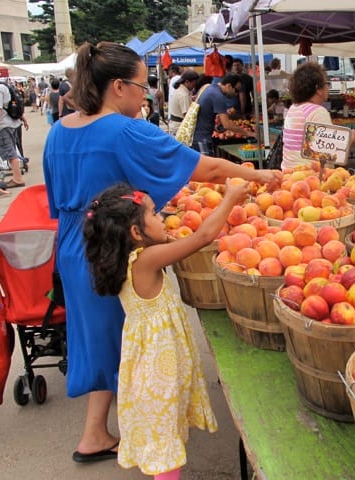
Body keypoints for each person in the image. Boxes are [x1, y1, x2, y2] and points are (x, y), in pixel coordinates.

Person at [42, 41, 282, 465]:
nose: (145, 93)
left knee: (99, 336)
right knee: (132, 341)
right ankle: (145, 432)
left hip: (73, 243)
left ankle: (95, 432)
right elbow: (202, 167)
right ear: (118, 87)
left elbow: (56, 198)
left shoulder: (60, 130)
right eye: (141, 84)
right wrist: (257, 174)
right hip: (115, 247)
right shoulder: (124, 129)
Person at [83, 181, 247, 479]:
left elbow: (177, 237)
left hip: (153, 364)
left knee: (166, 433)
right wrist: (231, 198)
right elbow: (204, 237)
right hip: (158, 369)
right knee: (165, 449)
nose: (163, 219)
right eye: (155, 215)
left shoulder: (131, 258)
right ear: (135, 233)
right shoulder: (145, 260)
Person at [282, 62, 355, 171]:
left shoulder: (293, 109)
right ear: (318, 89)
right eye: (326, 84)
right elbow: (326, 160)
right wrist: (350, 141)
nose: (327, 87)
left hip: (289, 176)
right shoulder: (317, 112)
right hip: (309, 178)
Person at [193, 74, 257, 155]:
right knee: (206, 167)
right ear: (229, 86)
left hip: (197, 136)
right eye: (236, 90)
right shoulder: (218, 96)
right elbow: (227, 124)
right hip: (202, 138)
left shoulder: (208, 87)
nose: (236, 94)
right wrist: (249, 133)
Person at [168, 70, 199, 136]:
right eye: (193, 84)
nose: (194, 86)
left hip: (175, 125)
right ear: (187, 82)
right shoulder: (183, 95)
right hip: (178, 127)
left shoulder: (182, 90)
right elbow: (187, 116)